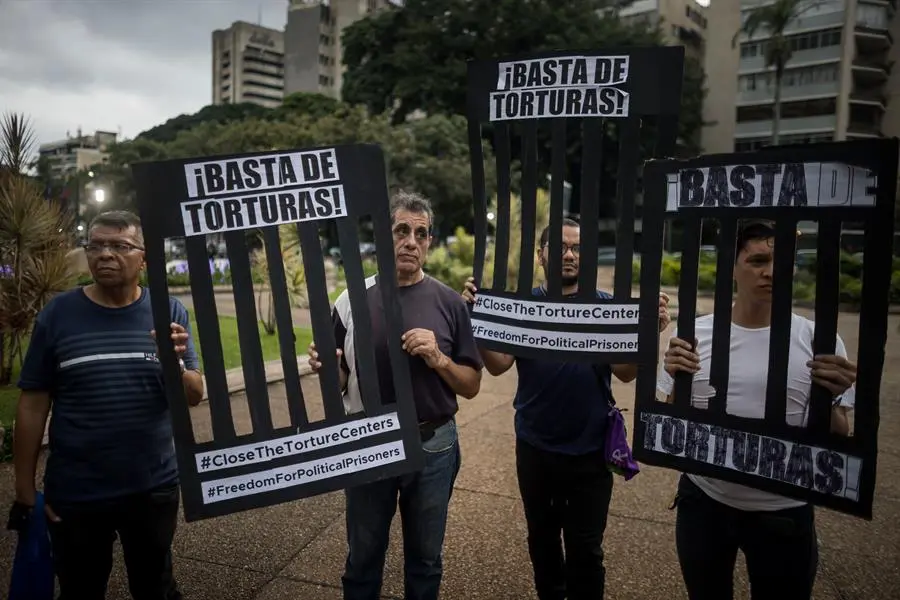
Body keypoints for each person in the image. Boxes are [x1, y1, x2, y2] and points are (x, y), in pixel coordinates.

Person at [461, 217, 671, 600]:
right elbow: (499, 364)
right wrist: (477, 322)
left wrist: (648, 335)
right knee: (542, 542)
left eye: (577, 248)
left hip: (591, 453)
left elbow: (625, 374)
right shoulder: (524, 308)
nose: (570, 255)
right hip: (536, 447)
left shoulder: (606, 307)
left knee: (586, 551)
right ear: (541, 256)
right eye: (560, 248)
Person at [7, 210, 205, 600]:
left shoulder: (169, 312)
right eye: (95, 245)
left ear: (143, 258)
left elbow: (194, 395)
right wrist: (25, 491)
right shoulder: (57, 316)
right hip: (78, 491)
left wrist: (175, 363)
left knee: (156, 588)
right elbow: (32, 406)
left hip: (152, 487)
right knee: (80, 589)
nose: (105, 254)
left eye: (119, 246)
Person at [659, 219, 857, 600]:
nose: (771, 272)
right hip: (704, 501)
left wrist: (832, 394)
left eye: (782, 262)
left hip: (784, 510)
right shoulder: (695, 335)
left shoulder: (819, 340)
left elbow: (838, 434)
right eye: (758, 261)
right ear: (732, 267)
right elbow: (672, 423)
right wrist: (674, 376)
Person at [307, 191, 484, 600]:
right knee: (363, 557)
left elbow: (471, 385)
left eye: (421, 234)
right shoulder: (350, 299)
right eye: (401, 230)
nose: (411, 241)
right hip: (371, 441)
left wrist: (439, 358)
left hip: (434, 444)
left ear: (429, 243)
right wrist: (325, 366)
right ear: (384, 238)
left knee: (425, 559)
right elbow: (339, 379)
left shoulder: (449, 304)